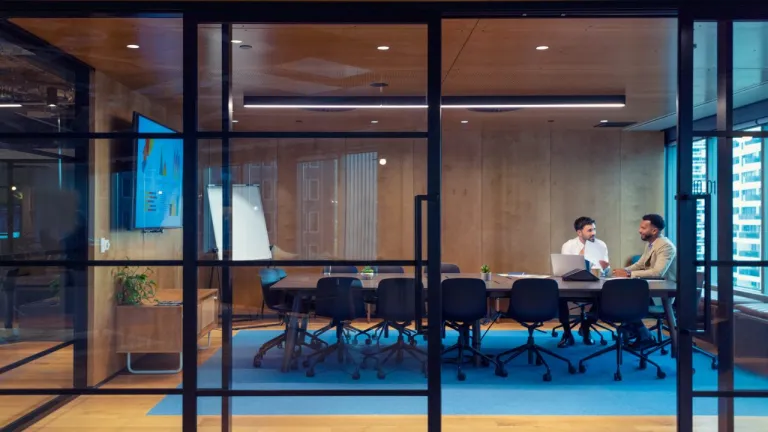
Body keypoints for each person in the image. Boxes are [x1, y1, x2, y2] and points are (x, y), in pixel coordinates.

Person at [612, 213, 677, 349]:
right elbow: (640, 264)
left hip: (665, 293)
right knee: (623, 298)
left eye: (643, 227)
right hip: (653, 288)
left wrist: (629, 274)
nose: (639, 230)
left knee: (627, 302)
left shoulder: (665, 246)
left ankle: (642, 334)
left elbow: (658, 272)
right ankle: (636, 331)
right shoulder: (651, 244)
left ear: (654, 231)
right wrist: (622, 271)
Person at [557, 216, 610, 348]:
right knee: (559, 297)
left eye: (594, 229)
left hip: (593, 284)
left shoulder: (600, 245)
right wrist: (583, 255)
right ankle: (567, 333)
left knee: (604, 297)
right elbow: (566, 269)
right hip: (571, 284)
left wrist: (604, 267)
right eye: (589, 230)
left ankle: (586, 327)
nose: (593, 233)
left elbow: (605, 270)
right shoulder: (568, 245)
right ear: (579, 232)